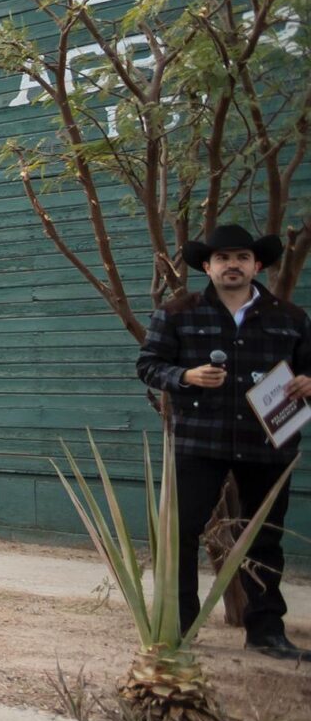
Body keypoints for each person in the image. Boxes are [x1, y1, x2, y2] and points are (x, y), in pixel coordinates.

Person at [135, 222, 311, 659]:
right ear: (208, 267)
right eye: (223, 258)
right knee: (181, 536)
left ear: (257, 265)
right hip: (199, 444)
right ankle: (178, 629)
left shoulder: (291, 318)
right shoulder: (178, 313)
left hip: (266, 444)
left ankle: (266, 632)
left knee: (264, 539)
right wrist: (185, 376)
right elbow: (149, 365)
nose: (233, 265)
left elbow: (308, 370)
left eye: (242, 258)